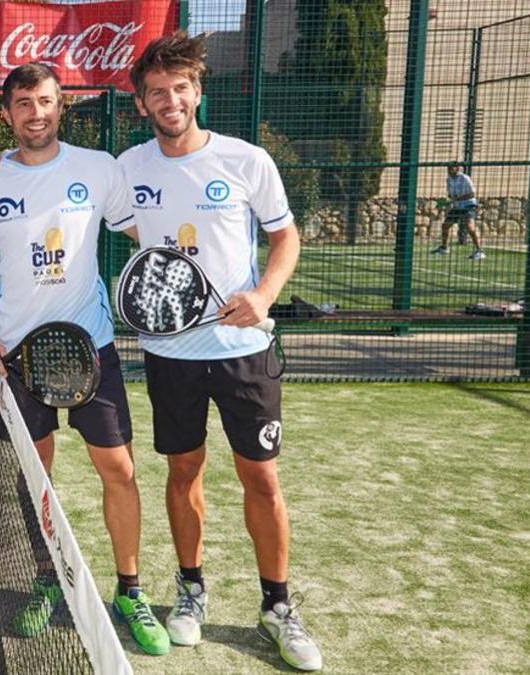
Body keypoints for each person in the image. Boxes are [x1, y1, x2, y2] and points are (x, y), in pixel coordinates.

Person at [116, 32, 322, 671]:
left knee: (261, 476)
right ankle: (191, 590)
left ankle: (277, 606)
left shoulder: (247, 159)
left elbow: (285, 238)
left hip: (243, 349)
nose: (171, 100)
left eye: (181, 88)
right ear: (143, 105)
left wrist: (263, 294)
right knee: (183, 474)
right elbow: (106, 215)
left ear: (197, 92)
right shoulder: (127, 168)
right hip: (170, 352)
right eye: (158, 93)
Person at [0, 63, 170, 656]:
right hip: (19, 358)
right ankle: (47, 580)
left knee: (120, 472)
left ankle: (130, 588)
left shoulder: (98, 170)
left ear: (61, 107)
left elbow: (145, 233)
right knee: (36, 476)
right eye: (23, 103)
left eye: (46, 101)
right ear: (7, 114)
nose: (35, 113)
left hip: (91, 351)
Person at [432, 162, 484, 260]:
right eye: (448, 168)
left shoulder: (465, 178)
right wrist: (446, 201)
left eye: (451, 168)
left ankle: (479, 251)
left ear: (457, 169)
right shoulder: (448, 180)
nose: (449, 170)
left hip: (469, 205)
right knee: (445, 225)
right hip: (457, 206)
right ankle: (444, 248)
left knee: (470, 227)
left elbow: (472, 194)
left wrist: (458, 199)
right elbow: (451, 195)